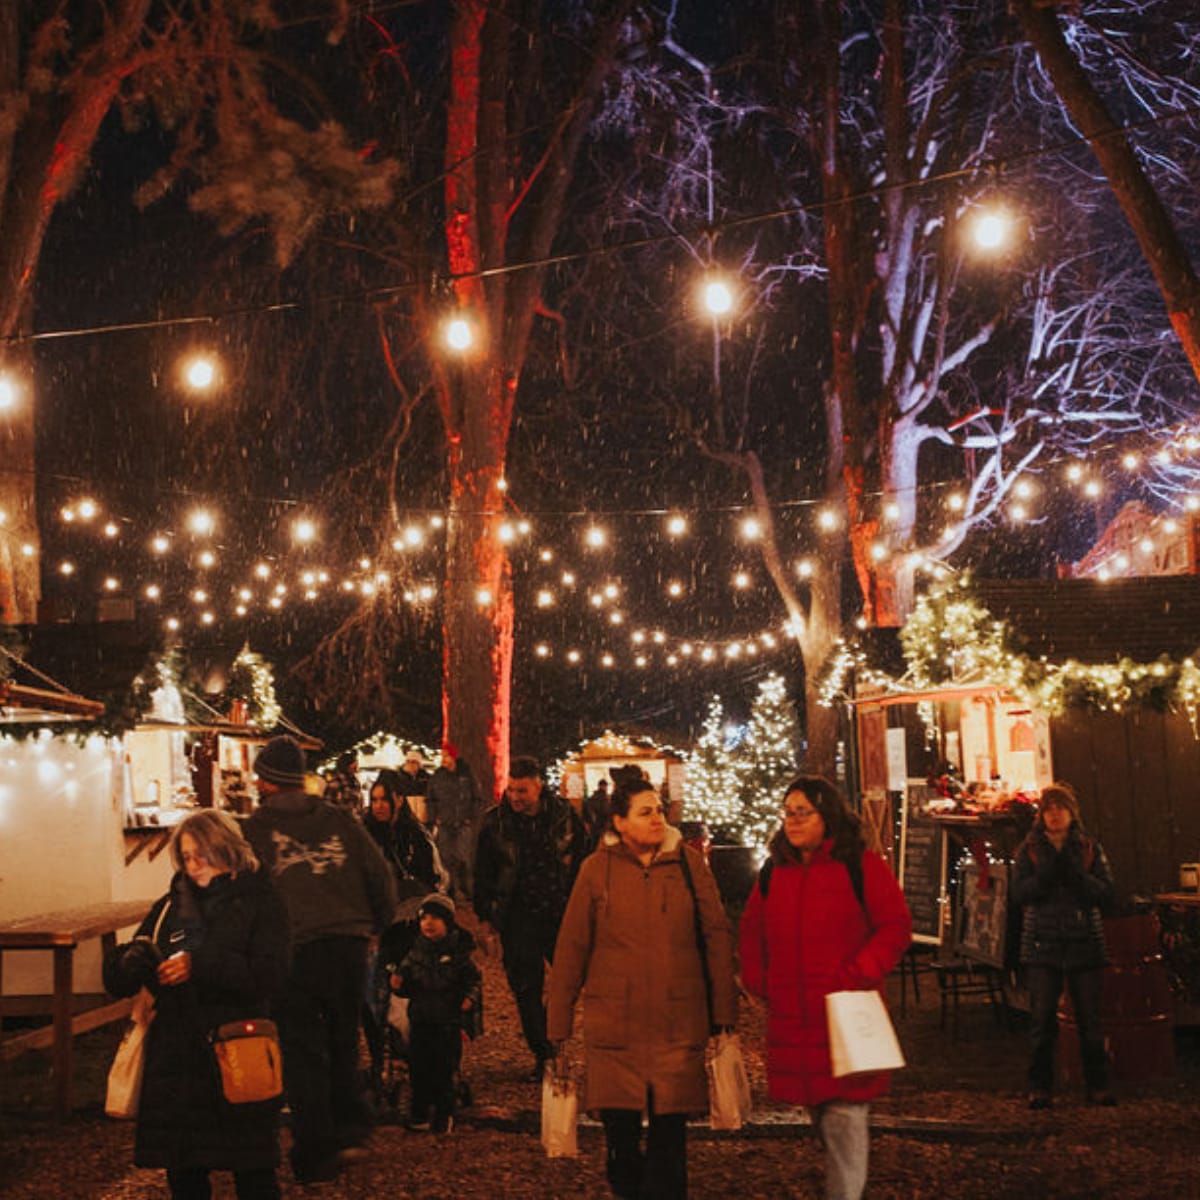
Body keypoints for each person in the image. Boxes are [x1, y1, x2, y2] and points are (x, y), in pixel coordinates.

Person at [548, 773, 736, 1200]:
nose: (657, 819)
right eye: (645, 812)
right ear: (620, 821)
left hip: (677, 1022)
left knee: (670, 1145)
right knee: (622, 1147)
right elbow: (573, 946)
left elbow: (717, 935)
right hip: (616, 1026)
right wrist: (557, 1024)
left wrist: (723, 1014)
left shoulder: (688, 865)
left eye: (659, 810)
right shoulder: (595, 872)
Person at [739, 775, 911, 1200]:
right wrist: (761, 980)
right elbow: (751, 931)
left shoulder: (861, 868)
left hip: (845, 1015)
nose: (793, 821)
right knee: (824, 1115)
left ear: (826, 817)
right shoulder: (774, 873)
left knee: (845, 1116)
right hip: (795, 1016)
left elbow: (895, 926)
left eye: (804, 812)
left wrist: (857, 974)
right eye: (788, 812)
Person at [103, 810, 289, 1200]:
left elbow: (270, 975)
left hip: (238, 1051)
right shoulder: (169, 907)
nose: (194, 864)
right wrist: (128, 963)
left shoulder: (261, 903)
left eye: (201, 853)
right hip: (179, 1061)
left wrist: (199, 965)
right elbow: (124, 975)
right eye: (186, 857)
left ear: (227, 849)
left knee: (254, 1174)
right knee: (185, 1176)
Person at [242, 736, 397, 1186]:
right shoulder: (339, 820)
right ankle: (351, 1128)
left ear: (266, 781)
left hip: (293, 950)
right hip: (346, 945)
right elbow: (378, 874)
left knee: (304, 1051)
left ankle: (316, 1151)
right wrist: (376, 923)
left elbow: (249, 894)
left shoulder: (255, 830)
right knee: (343, 1038)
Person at [473, 754, 587, 1079]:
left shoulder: (565, 817)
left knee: (568, 982)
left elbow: (582, 861)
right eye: (511, 791)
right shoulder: (495, 824)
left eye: (522, 791)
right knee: (526, 989)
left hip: (559, 913)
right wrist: (487, 917)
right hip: (518, 917)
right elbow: (484, 873)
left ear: (539, 787)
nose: (515, 798)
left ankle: (554, 1037)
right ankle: (544, 1051)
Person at [1011, 781, 1116, 1110]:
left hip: (1083, 941)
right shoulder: (1028, 850)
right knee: (1042, 1020)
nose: (1055, 815)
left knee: (1090, 1020)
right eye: (1049, 809)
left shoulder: (1087, 849)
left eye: (1061, 808)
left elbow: (1106, 893)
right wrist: (1043, 878)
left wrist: (1077, 878)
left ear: (1072, 813)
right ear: (1041, 815)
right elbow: (1018, 894)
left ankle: (1097, 1086)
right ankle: (1040, 1087)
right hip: (1042, 943)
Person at [390, 893, 482, 1134]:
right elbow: (406, 985)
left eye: (435, 918)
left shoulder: (458, 954)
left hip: (447, 1020)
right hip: (420, 1018)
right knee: (419, 1068)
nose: (428, 923)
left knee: (444, 1070)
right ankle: (419, 1113)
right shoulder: (415, 953)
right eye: (424, 918)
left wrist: (468, 999)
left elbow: (473, 980)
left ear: (448, 922)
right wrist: (398, 984)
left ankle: (444, 1114)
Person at [426, 741, 482, 900]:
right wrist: (434, 818)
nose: (443, 759)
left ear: (453, 757)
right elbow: (430, 799)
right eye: (442, 756)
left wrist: (471, 817)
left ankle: (467, 891)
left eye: (446, 756)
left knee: (463, 858)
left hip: (462, 823)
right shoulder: (437, 776)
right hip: (444, 824)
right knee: (445, 860)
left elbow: (477, 798)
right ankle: (451, 891)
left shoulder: (467, 775)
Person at [396, 748, 432, 827]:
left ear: (419, 764)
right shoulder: (398, 778)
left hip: (423, 818)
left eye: (413, 762)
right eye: (408, 761)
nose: (410, 764)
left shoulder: (427, 778)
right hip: (405, 819)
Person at [582, 778, 610, 849]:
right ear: (604, 786)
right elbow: (606, 811)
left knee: (594, 842)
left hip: (594, 824)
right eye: (605, 786)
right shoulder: (604, 798)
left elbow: (587, 811)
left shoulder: (592, 798)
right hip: (602, 824)